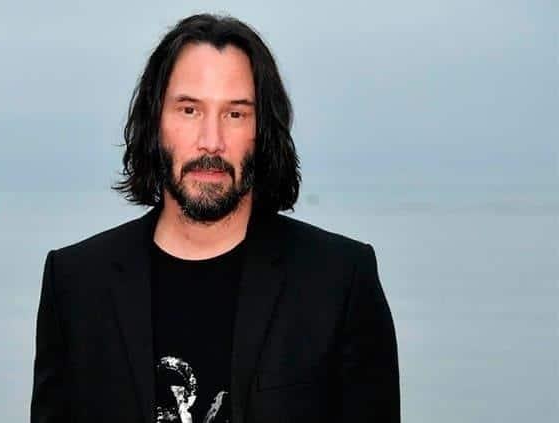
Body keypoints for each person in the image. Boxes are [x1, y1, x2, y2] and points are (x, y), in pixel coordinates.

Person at [30, 13, 399, 423]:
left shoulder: (340, 281)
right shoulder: (75, 284)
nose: (211, 141)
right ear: (155, 122)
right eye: (189, 110)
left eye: (235, 114)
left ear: (263, 130)